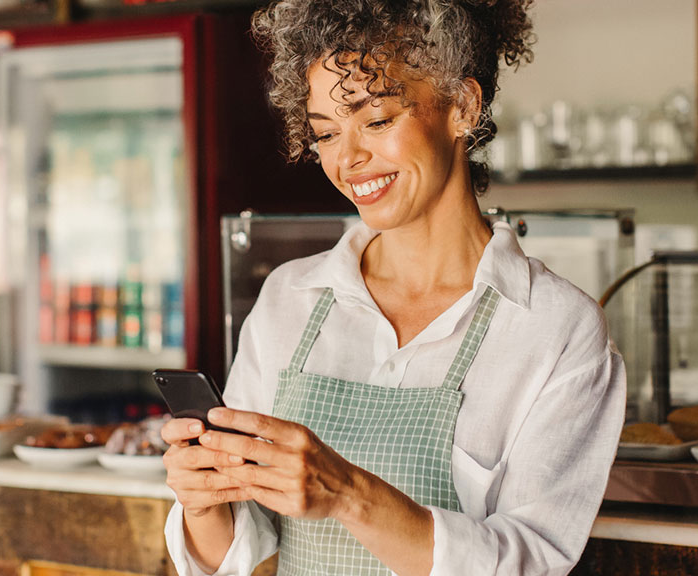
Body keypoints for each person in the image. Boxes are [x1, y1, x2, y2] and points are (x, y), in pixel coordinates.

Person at [159, 0, 626, 574]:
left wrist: (350, 494)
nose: (349, 159)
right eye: (326, 134)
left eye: (377, 121)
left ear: (462, 106)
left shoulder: (554, 329)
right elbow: (244, 552)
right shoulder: (289, 298)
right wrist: (203, 503)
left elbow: (531, 561)